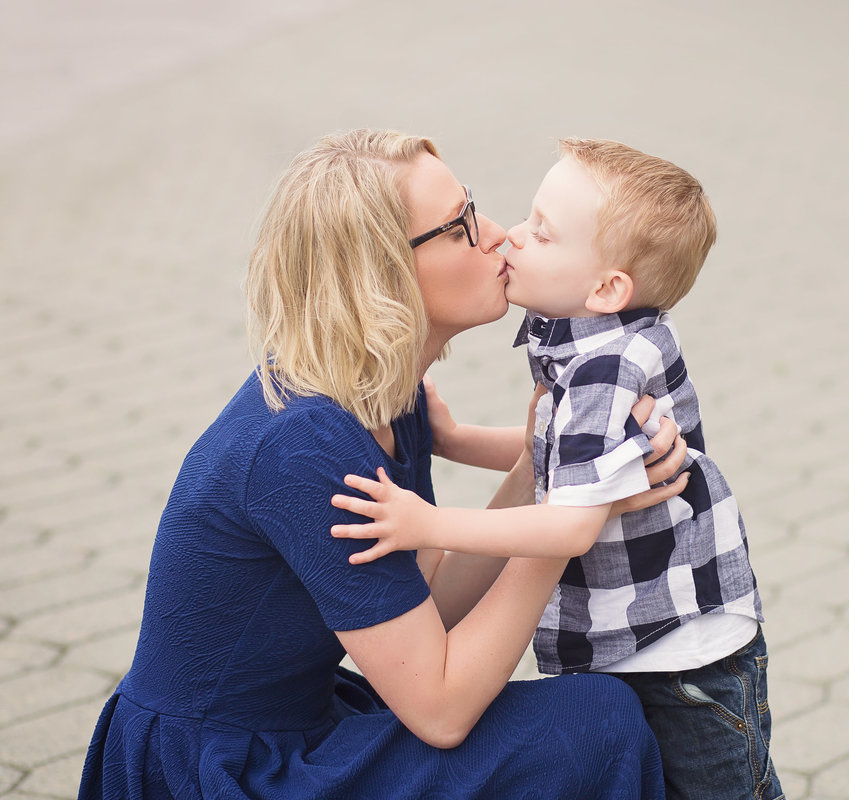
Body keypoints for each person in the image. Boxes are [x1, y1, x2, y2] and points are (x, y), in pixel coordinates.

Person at [77, 130, 689, 799]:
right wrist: (574, 517)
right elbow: (443, 713)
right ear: (382, 276)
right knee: (595, 724)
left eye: (473, 207)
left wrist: (549, 472)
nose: (496, 234)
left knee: (591, 712)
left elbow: (431, 607)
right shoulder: (305, 445)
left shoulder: (386, 397)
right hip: (221, 767)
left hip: (292, 725)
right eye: (458, 228)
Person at [331, 138, 782, 799]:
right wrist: (455, 440)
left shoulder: (606, 369)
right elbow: (555, 451)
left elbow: (568, 528)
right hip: (648, 639)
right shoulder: (588, 332)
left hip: (681, 658)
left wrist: (428, 523)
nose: (510, 237)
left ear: (606, 287)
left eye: (541, 234)